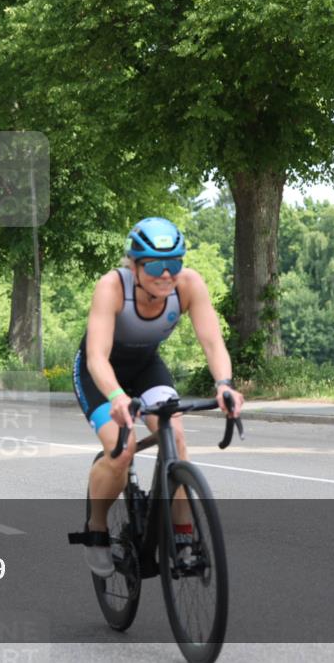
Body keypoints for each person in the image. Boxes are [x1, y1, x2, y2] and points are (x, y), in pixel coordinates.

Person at [73, 217, 244, 577]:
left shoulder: (189, 285)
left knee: (176, 438)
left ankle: (183, 540)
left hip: (146, 367)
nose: (166, 275)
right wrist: (117, 396)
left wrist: (224, 385)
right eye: (154, 266)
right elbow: (96, 357)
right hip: (100, 374)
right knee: (122, 450)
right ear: (134, 265)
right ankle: (97, 527)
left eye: (174, 264)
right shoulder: (112, 286)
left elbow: (213, 343)